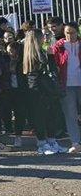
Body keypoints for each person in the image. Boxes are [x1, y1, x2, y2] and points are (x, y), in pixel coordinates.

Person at [22, 30, 65, 155]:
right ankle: (43, 143)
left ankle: (50, 142)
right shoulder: (38, 54)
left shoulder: (29, 55)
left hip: (36, 89)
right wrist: (50, 56)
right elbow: (51, 70)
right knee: (44, 117)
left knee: (45, 116)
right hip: (41, 88)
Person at [51, 23, 81, 153]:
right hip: (66, 85)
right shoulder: (58, 46)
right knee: (70, 114)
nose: (70, 35)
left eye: (73, 32)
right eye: (67, 33)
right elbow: (55, 64)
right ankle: (75, 142)